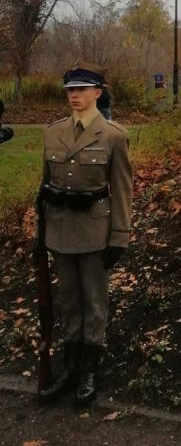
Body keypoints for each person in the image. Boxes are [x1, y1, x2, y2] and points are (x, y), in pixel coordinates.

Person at [38, 61, 133, 405]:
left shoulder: (113, 136)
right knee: (68, 302)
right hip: (61, 231)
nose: (74, 96)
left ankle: (90, 369)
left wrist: (119, 236)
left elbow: (122, 190)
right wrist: (41, 231)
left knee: (94, 302)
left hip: (95, 232)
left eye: (80, 90)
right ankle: (70, 367)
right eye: (69, 91)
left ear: (97, 92)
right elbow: (44, 186)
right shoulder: (53, 132)